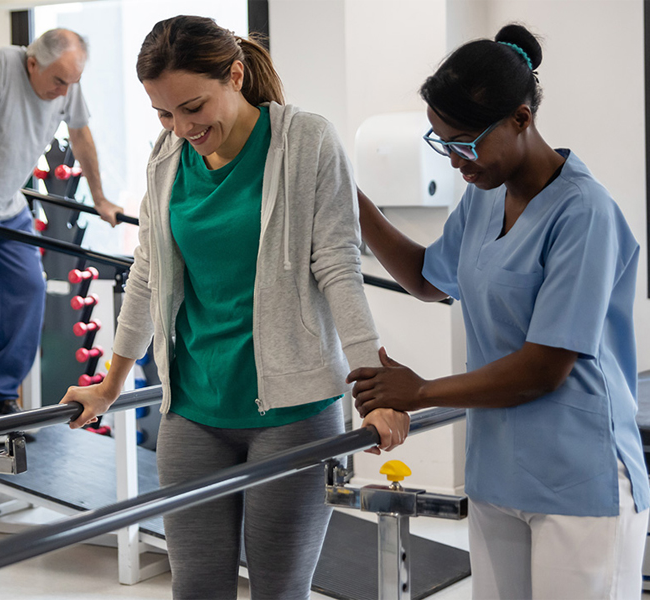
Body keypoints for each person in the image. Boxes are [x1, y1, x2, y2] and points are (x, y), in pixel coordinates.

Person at [62, 15, 410, 599]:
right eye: (164, 114)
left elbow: (339, 270)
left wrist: (378, 394)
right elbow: (147, 274)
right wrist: (110, 384)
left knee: (278, 590)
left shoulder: (307, 141)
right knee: (197, 589)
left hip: (291, 413)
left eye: (193, 107)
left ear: (237, 75)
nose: (182, 127)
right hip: (195, 408)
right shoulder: (167, 156)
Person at [347, 24, 650, 599]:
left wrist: (421, 390)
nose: (458, 160)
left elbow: (544, 367)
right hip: (501, 473)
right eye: (442, 143)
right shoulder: (483, 196)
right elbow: (428, 279)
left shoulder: (584, 212)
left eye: (466, 141)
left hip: (580, 478)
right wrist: (354, 202)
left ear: (520, 118)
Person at [0, 28, 123, 425]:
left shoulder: (67, 81)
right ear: (33, 63)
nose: (63, 91)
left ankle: (0, 395)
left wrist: (100, 198)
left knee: (28, 292)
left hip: (7, 205)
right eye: (58, 81)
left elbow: (81, 135)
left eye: (71, 83)